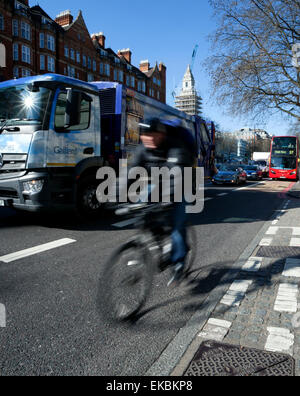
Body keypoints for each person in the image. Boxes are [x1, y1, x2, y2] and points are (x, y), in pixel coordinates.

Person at [128, 118, 197, 285]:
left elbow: (176, 173)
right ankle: (159, 238)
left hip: (182, 184)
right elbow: (130, 173)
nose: (148, 139)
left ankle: (179, 264)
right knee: (142, 209)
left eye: (152, 135)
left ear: (161, 134)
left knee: (176, 223)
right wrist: (114, 196)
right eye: (144, 136)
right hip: (157, 183)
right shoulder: (142, 150)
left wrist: (166, 200)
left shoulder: (176, 147)